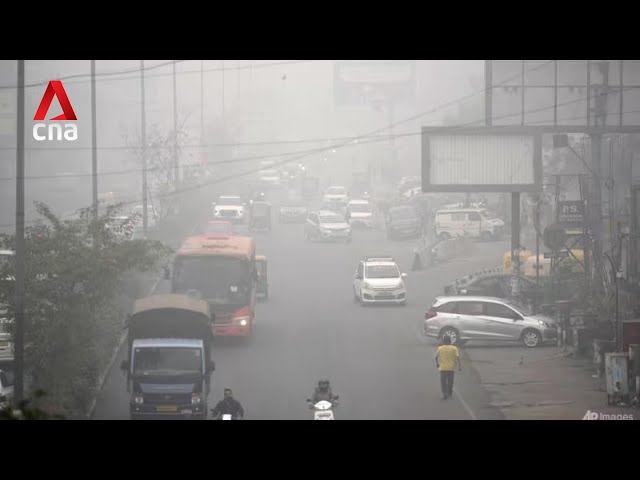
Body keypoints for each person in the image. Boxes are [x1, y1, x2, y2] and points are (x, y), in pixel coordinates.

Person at [434, 335, 461, 399]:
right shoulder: (454, 348)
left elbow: (436, 357)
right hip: (451, 368)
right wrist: (459, 366)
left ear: (443, 341)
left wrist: (437, 363)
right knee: (450, 381)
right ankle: (449, 392)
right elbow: (457, 357)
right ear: (450, 341)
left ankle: (444, 392)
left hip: (443, 368)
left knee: (443, 381)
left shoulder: (440, 348)